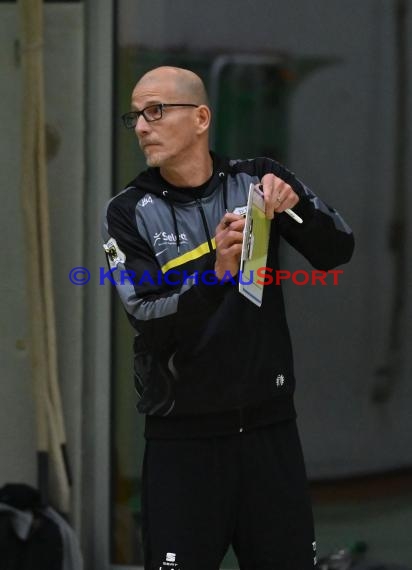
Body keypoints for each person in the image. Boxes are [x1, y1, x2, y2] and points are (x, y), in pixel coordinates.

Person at [102, 66, 354, 570]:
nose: (141, 126)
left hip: (269, 431)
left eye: (156, 111)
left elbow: (336, 250)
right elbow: (148, 318)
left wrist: (293, 204)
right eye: (135, 115)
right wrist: (215, 272)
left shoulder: (257, 177)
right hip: (183, 440)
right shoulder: (128, 211)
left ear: (200, 118)